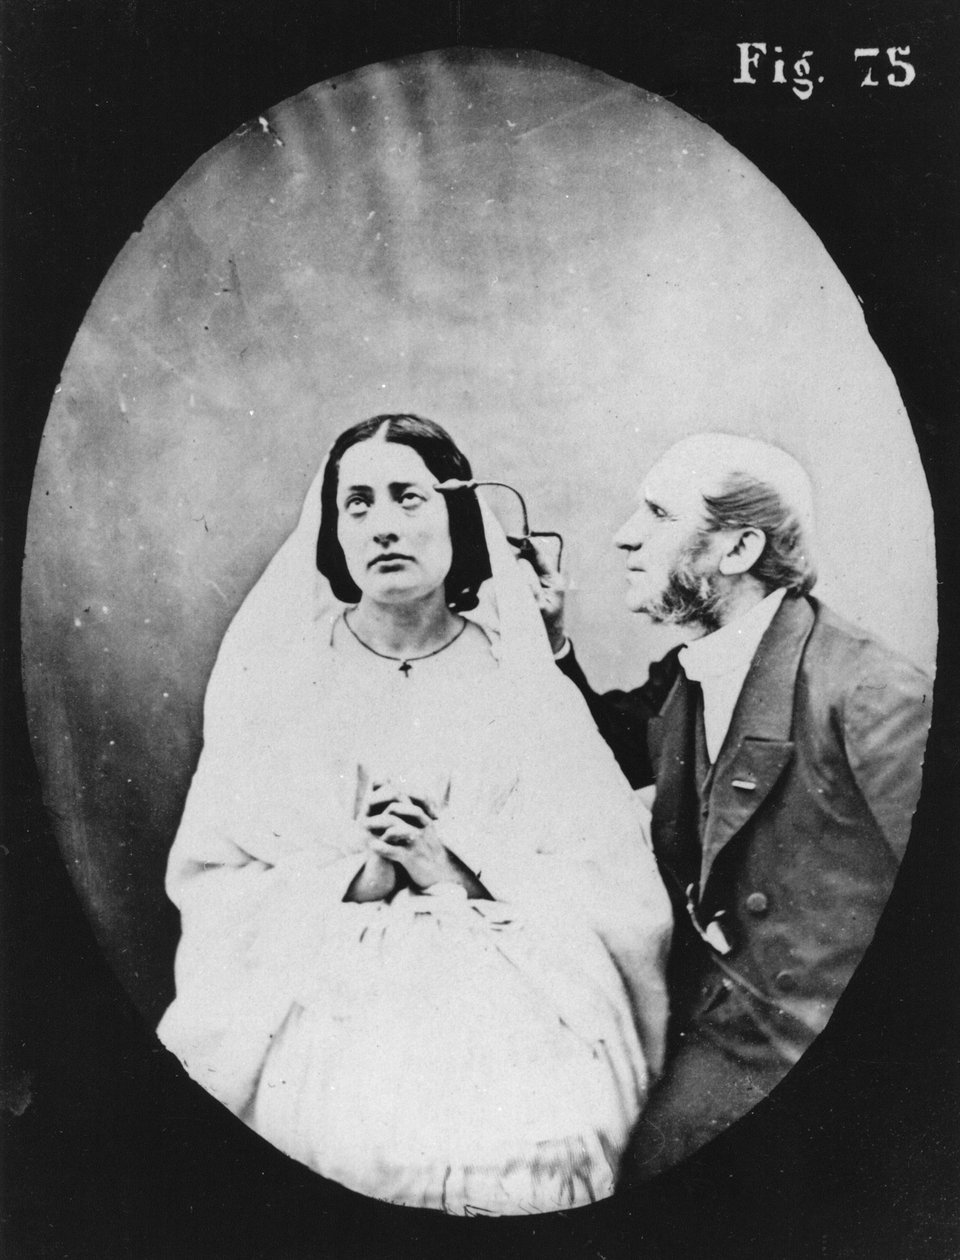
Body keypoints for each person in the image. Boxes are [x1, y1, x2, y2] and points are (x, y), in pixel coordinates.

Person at [157, 414, 672, 1215]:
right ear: (333, 531)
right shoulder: (280, 687)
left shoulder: (521, 685)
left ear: (456, 518)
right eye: (358, 503)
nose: (384, 525)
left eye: (408, 497)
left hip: (513, 996)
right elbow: (217, 874)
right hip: (315, 997)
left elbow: (609, 877)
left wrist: (450, 869)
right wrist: (360, 877)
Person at [529, 432, 932, 1182]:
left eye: (657, 514)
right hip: (706, 1021)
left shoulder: (871, 694)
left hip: (809, 1056)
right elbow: (608, 750)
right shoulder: (695, 668)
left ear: (739, 549)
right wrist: (551, 643)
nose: (624, 536)